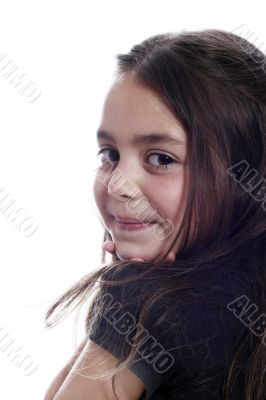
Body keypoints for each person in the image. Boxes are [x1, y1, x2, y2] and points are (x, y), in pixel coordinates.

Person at [43, 28, 266, 400]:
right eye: (109, 155)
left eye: (161, 159)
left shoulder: (153, 303)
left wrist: (127, 294)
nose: (118, 185)